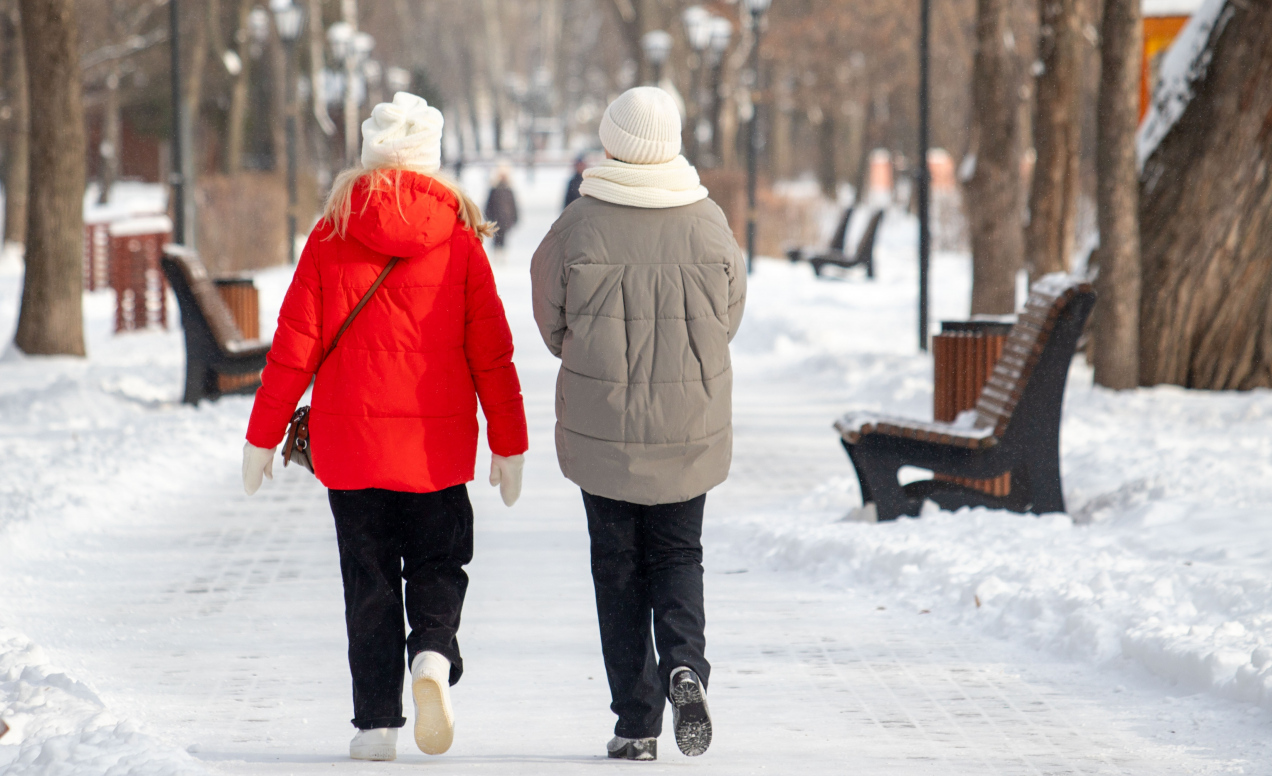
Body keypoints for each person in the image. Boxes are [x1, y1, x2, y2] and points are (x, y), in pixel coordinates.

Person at [241, 92, 529, 763]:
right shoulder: (457, 238)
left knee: (367, 583)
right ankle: (430, 651)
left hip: (353, 450)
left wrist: (262, 436)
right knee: (440, 562)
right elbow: (492, 350)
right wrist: (509, 444)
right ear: (430, 162)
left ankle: (375, 725)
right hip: (437, 449)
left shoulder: (330, 234)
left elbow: (293, 349)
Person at [530, 86, 746, 762]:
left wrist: (586, 352)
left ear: (613, 140)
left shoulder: (580, 222)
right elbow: (729, 316)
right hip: (690, 422)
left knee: (617, 567)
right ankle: (686, 665)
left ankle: (636, 722)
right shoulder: (708, 220)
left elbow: (549, 315)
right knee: (680, 555)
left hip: (604, 427)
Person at [484, 165, 519, 251]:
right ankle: (497, 253)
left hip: (506, 220)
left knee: (503, 239)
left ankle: (502, 253)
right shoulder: (494, 189)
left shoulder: (509, 190)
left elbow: (513, 205)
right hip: (495, 219)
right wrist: (489, 217)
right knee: (496, 239)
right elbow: (488, 205)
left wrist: (514, 218)